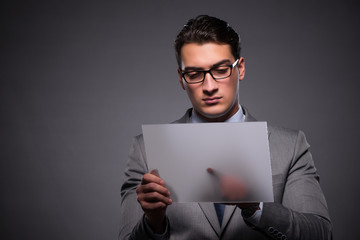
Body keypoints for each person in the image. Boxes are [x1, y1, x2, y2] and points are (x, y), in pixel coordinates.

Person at [119, 15, 332, 239]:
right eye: (194, 74)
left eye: (221, 70)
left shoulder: (290, 147)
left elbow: (321, 234)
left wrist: (255, 206)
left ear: (240, 68)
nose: (209, 86)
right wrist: (153, 222)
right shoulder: (145, 151)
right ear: (182, 79)